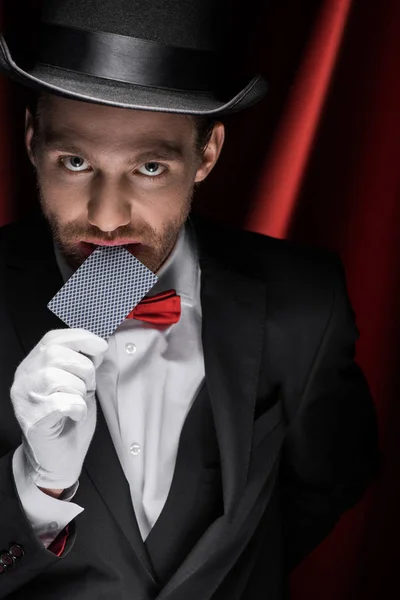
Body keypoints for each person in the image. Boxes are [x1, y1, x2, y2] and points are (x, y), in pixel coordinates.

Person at [0, 1, 379, 598]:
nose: (105, 219)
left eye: (149, 167)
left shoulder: (305, 301)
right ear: (30, 140)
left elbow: (329, 483)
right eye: (75, 163)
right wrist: (40, 484)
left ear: (207, 153)